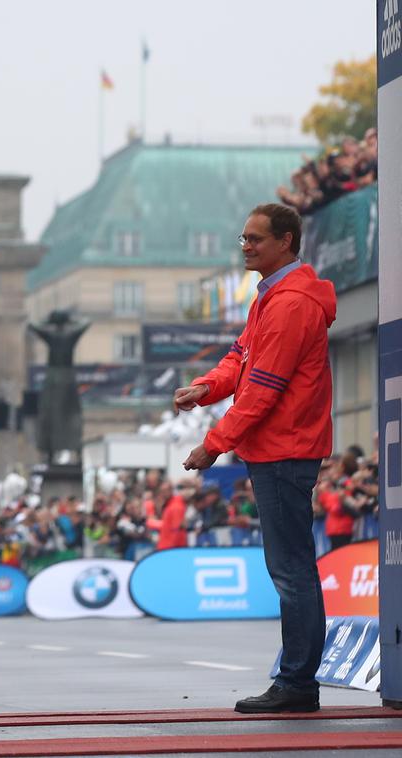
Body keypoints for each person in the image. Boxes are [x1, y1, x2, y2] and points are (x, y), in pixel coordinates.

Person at [176, 203, 336, 714]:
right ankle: (296, 679)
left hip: (285, 447)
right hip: (277, 447)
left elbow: (264, 387)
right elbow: (240, 358)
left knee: (291, 571)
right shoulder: (274, 296)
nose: (245, 246)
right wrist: (205, 388)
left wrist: (213, 444)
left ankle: (297, 683)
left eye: (255, 239)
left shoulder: (290, 303)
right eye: (243, 238)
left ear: (286, 241)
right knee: (290, 569)